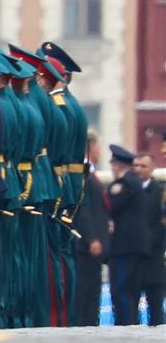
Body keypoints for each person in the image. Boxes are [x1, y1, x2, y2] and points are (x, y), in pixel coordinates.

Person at [106, 145, 150, 325]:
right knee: (125, 287)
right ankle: (127, 320)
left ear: (118, 164)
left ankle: (126, 322)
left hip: (126, 244)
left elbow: (112, 205)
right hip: (130, 243)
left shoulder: (126, 183)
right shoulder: (132, 181)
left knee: (121, 286)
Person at [72, 131, 109, 326]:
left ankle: (91, 321)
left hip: (97, 241)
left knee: (93, 286)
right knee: (86, 287)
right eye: (97, 146)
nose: (99, 150)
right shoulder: (84, 173)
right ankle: (85, 322)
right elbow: (84, 209)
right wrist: (91, 238)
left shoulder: (91, 172)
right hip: (88, 244)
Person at [133, 153, 164, 325]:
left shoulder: (160, 192)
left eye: (143, 166)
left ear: (151, 169)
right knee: (130, 308)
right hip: (134, 260)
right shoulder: (129, 190)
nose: (138, 170)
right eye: (136, 166)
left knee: (156, 308)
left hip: (154, 258)